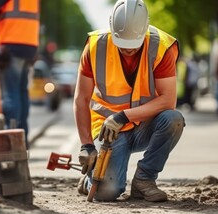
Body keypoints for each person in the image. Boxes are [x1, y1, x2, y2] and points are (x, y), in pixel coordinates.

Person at [74, 0, 185, 202]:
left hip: (144, 124)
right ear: (111, 27)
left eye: (133, 44)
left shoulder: (161, 47)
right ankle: (91, 180)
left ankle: (144, 180)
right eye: (122, 44)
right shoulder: (95, 46)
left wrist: (124, 116)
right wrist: (86, 145)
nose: (128, 49)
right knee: (107, 193)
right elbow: (81, 98)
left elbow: (168, 100)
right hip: (109, 130)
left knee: (173, 119)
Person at [0, 0, 40, 141]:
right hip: (29, 45)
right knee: (21, 93)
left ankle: (12, 137)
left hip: (11, 44)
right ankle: (22, 137)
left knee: (10, 94)